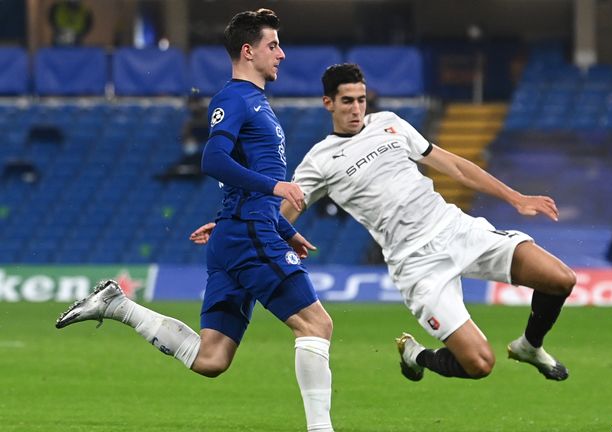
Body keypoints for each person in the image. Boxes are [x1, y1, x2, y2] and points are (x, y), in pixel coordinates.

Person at [193, 63, 576, 382]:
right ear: (328, 103)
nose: (356, 108)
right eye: (347, 101)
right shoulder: (319, 161)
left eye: (361, 100)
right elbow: (280, 212)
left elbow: (455, 165)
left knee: (560, 279)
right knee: (479, 364)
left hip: (457, 229)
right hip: (416, 265)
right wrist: (232, 225)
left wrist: (516, 198)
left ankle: (530, 345)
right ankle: (417, 355)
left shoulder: (391, 123)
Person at [56, 10, 334, 432]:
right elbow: (213, 159)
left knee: (211, 359)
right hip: (247, 236)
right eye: (273, 45)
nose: (281, 53)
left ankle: (119, 306)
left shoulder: (256, 101)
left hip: (238, 233)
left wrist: (285, 228)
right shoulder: (234, 98)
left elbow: (244, 183)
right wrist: (275, 193)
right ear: (248, 50)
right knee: (317, 324)